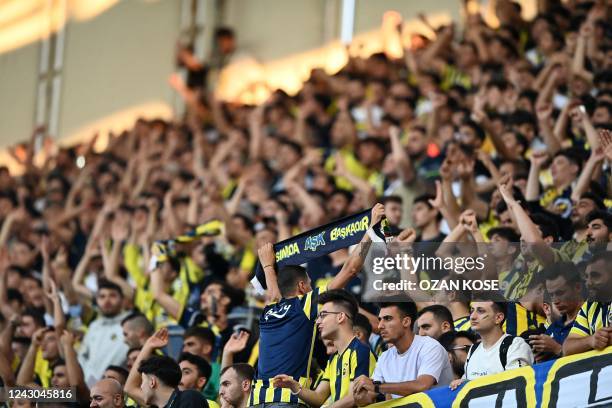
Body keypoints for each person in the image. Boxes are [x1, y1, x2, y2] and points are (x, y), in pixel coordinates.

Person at [248, 205, 384, 407]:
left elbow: (274, 295)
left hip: (257, 399)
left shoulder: (267, 312)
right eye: (310, 284)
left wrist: (268, 265)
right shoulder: (305, 304)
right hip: (286, 401)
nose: (313, 289)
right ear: (302, 287)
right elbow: (350, 269)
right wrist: (371, 230)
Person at [273, 290, 376, 407]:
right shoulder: (334, 358)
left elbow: (354, 398)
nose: (317, 321)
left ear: (340, 317)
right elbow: (319, 397)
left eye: (323, 315)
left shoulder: (360, 351)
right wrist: (294, 386)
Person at [352, 302, 453, 404]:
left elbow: (422, 385)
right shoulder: (384, 357)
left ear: (406, 322)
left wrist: (377, 387)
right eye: (380, 320)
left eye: (387, 319)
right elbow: (369, 398)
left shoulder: (430, 347)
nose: (380, 326)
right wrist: (360, 395)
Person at [449, 299, 534, 390]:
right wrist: (460, 383)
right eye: (472, 311)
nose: (472, 317)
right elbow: (466, 384)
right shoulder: (473, 349)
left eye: (481, 311)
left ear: (498, 318)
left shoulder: (515, 345)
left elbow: (517, 385)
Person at [124, 328, 209, 407]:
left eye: (143, 382)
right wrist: (149, 345)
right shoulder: (159, 404)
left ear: (152, 382)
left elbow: (131, 388)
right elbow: (130, 388)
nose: (141, 387)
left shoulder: (189, 398)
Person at [78, 280, 130, 386]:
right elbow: (82, 356)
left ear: (123, 300)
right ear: (96, 301)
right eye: (102, 296)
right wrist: (89, 379)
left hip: (119, 387)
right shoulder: (94, 326)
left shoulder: (131, 323)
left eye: (112, 296)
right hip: (89, 386)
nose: (107, 300)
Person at [529, 262, 583, 361]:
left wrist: (557, 349)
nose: (555, 300)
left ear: (577, 287)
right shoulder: (553, 327)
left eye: (560, 293)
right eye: (551, 295)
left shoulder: (592, 319)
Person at [563, 251, 612, 356]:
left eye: (595, 276)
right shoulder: (589, 306)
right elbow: (567, 348)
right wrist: (590, 340)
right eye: (586, 277)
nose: (588, 283)